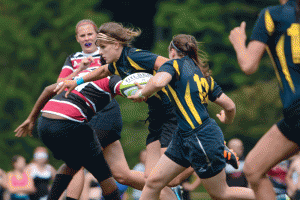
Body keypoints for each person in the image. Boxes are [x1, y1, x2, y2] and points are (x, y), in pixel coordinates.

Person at [55, 22, 240, 198]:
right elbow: (103, 71)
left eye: (103, 47)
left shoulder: (135, 56)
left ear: (117, 45)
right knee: (151, 179)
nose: (100, 52)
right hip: (156, 115)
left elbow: (167, 65)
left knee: (172, 179)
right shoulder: (118, 63)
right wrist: (77, 81)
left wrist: (150, 88)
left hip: (170, 113)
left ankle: (216, 150)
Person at [128, 34, 256, 200]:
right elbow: (230, 106)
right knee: (153, 182)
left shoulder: (173, 64)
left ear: (172, 51)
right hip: (183, 136)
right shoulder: (203, 74)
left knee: (221, 193)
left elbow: (159, 82)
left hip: (200, 136)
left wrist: (142, 92)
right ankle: (219, 149)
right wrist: (227, 119)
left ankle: (275, 197)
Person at [57, 19, 145, 200]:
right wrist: (79, 70)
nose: (87, 38)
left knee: (76, 160)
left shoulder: (106, 54)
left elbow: (118, 80)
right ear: (77, 38)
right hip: (83, 118)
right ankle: (164, 186)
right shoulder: (73, 59)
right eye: (83, 35)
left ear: (97, 36)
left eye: (90, 34)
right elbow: (59, 86)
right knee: (122, 174)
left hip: (104, 114)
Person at [229, 0, 300, 199]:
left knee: (254, 170)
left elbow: (249, 65)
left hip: (297, 109)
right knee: (252, 167)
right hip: (294, 117)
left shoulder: (272, 15)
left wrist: (238, 42)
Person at [14, 71, 124, 199]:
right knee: (104, 175)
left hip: (44, 123)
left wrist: (31, 118)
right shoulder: (113, 78)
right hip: (68, 123)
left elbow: (48, 89)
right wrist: (139, 93)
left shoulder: (83, 74)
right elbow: (127, 88)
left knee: (73, 165)